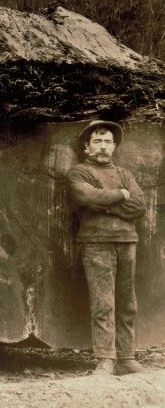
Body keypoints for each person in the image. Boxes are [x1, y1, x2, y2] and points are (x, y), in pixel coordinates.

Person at [67, 120, 147, 375]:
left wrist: (105, 203)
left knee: (127, 303)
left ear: (114, 147)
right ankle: (105, 359)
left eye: (108, 142)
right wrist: (120, 196)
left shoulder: (125, 174)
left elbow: (139, 206)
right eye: (98, 141)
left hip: (127, 241)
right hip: (96, 242)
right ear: (87, 147)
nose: (103, 147)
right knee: (103, 302)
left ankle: (126, 357)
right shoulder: (78, 173)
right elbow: (87, 197)